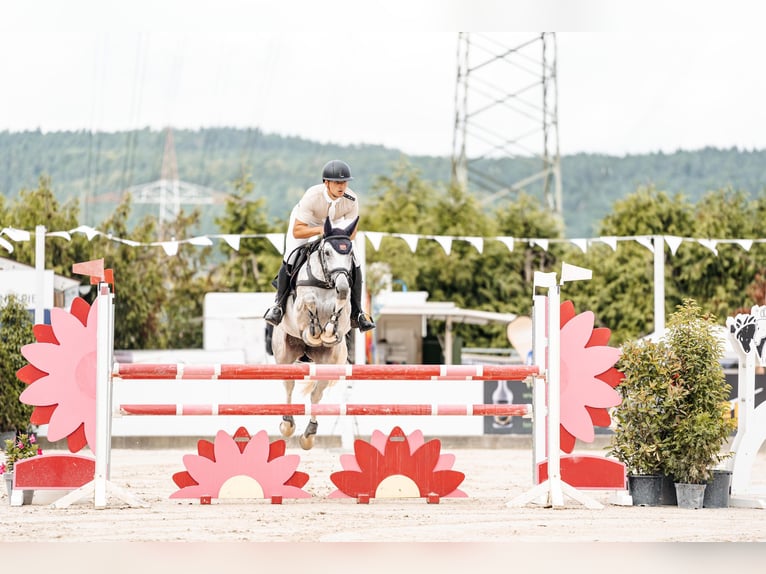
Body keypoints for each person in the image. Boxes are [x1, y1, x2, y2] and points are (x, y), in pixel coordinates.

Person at [263, 159, 376, 332]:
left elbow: (351, 233)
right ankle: (278, 306)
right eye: (337, 182)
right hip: (307, 223)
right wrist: (321, 230)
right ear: (326, 182)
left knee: (356, 259)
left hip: (336, 226)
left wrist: (334, 235)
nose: (341, 186)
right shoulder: (312, 196)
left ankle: (358, 313)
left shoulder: (351, 199)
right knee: (291, 256)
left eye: (344, 182)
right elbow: (298, 231)